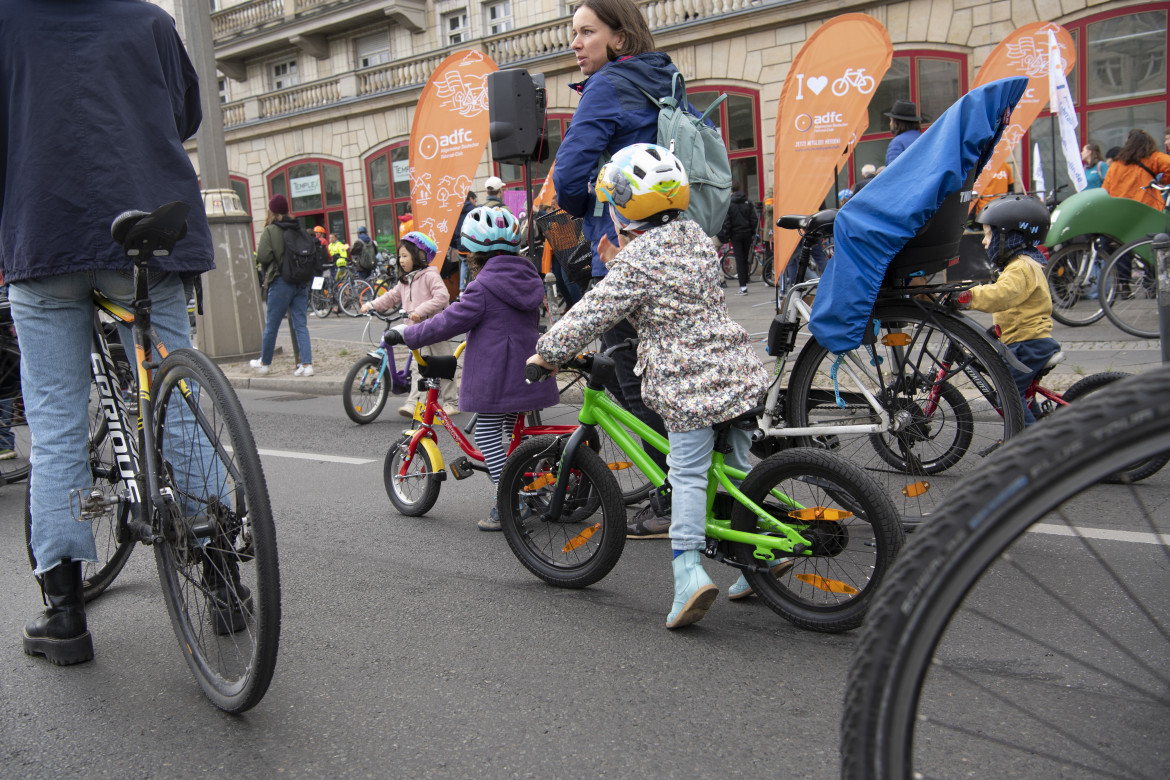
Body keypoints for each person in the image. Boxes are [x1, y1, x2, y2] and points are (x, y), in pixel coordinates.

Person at [1, 0, 216, 665]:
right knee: (175, 399)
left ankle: (65, 614)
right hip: (142, 226)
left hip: (45, 231)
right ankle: (221, 566)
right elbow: (186, 114)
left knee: (58, 423)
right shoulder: (149, 21)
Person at [530, 144, 769, 628]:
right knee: (741, 471)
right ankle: (760, 559)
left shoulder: (635, 262)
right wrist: (624, 260)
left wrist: (547, 353)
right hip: (737, 372)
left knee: (687, 476)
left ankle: (688, 575)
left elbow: (591, 314)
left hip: (688, 386)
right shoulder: (698, 238)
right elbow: (672, 284)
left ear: (623, 209)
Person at [551, 0, 680, 537]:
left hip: (623, 245)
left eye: (586, 32)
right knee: (671, 371)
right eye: (572, 32)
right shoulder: (665, 78)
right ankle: (695, 479)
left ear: (619, 38)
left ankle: (670, 497)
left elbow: (568, 172)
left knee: (631, 376)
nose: (575, 43)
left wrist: (582, 209)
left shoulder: (607, 86)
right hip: (672, 239)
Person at [385, 206, 558, 531]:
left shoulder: (484, 287)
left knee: (486, 434)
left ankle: (511, 499)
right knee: (512, 433)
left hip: (499, 375)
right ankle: (532, 488)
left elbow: (448, 322)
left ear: (475, 254)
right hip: (529, 371)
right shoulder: (528, 277)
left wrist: (408, 333)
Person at [953, 195, 1057, 427]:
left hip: (1028, 344)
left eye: (989, 234)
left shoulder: (1021, 267)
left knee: (1008, 396)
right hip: (1023, 341)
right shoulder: (1023, 263)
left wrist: (968, 296)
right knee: (1019, 390)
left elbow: (1001, 295)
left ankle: (1032, 443)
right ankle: (1038, 423)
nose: (984, 241)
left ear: (1009, 237)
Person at [360, 232, 459, 415]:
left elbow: (442, 296)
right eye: (400, 256)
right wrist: (371, 305)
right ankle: (415, 403)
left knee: (445, 366)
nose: (401, 260)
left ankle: (452, 402)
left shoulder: (430, 275)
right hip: (417, 332)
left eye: (405, 256)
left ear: (420, 256)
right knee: (418, 368)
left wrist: (419, 311)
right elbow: (391, 298)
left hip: (436, 329)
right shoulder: (404, 281)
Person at [250, 195, 315, 377]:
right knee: (300, 324)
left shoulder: (271, 230)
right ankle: (307, 364)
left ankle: (264, 362)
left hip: (281, 281)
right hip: (300, 282)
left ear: (271, 211)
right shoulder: (297, 227)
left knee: (272, 324)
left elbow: (262, 256)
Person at [1102, 128, 1170, 211]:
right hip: (1147, 208)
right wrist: (1163, 181)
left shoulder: (1115, 165)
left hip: (1121, 210)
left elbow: (1105, 191)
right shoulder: (1152, 158)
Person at [720, 182, 758, 295]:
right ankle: (745, 281)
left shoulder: (730, 204)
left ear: (731, 191)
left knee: (739, 260)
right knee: (745, 259)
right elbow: (754, 219)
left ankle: (743, 286)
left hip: (736, 235)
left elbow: (727, 222)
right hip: (747, 234)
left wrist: (727, 235)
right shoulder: (748, 202)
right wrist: (752, 231)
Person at [884, 100, 923, 165]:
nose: (890, 124)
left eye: (891, 120)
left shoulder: (897, 142)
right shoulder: (924, 138)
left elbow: (892, 170)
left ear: (896, 122)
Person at [453, 192, 478, 294]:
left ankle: (462, 289)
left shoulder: (456, 211)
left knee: (464, 263)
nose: (476, 202)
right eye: (475, 200)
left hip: (461, 245)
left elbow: (454, 231)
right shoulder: (474, 210)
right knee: (477, 262)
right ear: (471, 199)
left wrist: (456, 244)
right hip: (471, 244)